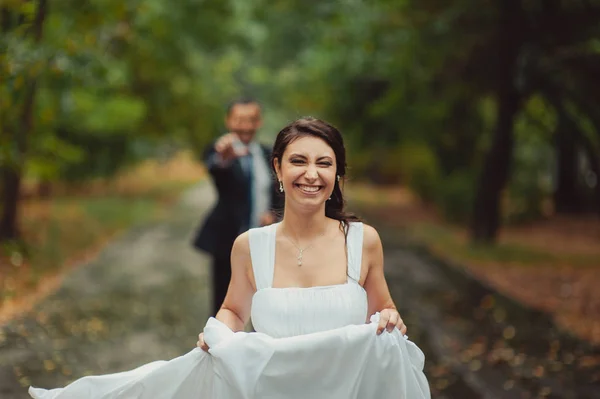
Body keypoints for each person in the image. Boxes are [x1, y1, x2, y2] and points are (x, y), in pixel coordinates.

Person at [29, 118, 431, 399]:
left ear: (337, 176)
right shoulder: (249, 245)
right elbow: (234, 311)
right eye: (299, 160)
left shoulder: (364, 241)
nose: (312, 174)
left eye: (324, 163)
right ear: (277, 168)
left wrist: (392, 318)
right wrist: (217, 333)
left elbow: (385, 311)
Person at [192, 98, 282, 316]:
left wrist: (274, 213)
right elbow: (215, 166)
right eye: (240, 120)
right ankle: (221, 346)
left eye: (251, 120)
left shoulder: (267, 154)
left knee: (265, 301)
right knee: (224, 303)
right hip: (227, 240)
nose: (245, 126)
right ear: (229, 121)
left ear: (258, 122)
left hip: (264, 241)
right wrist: (223, 158)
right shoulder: (220, 150)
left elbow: (280, 191)